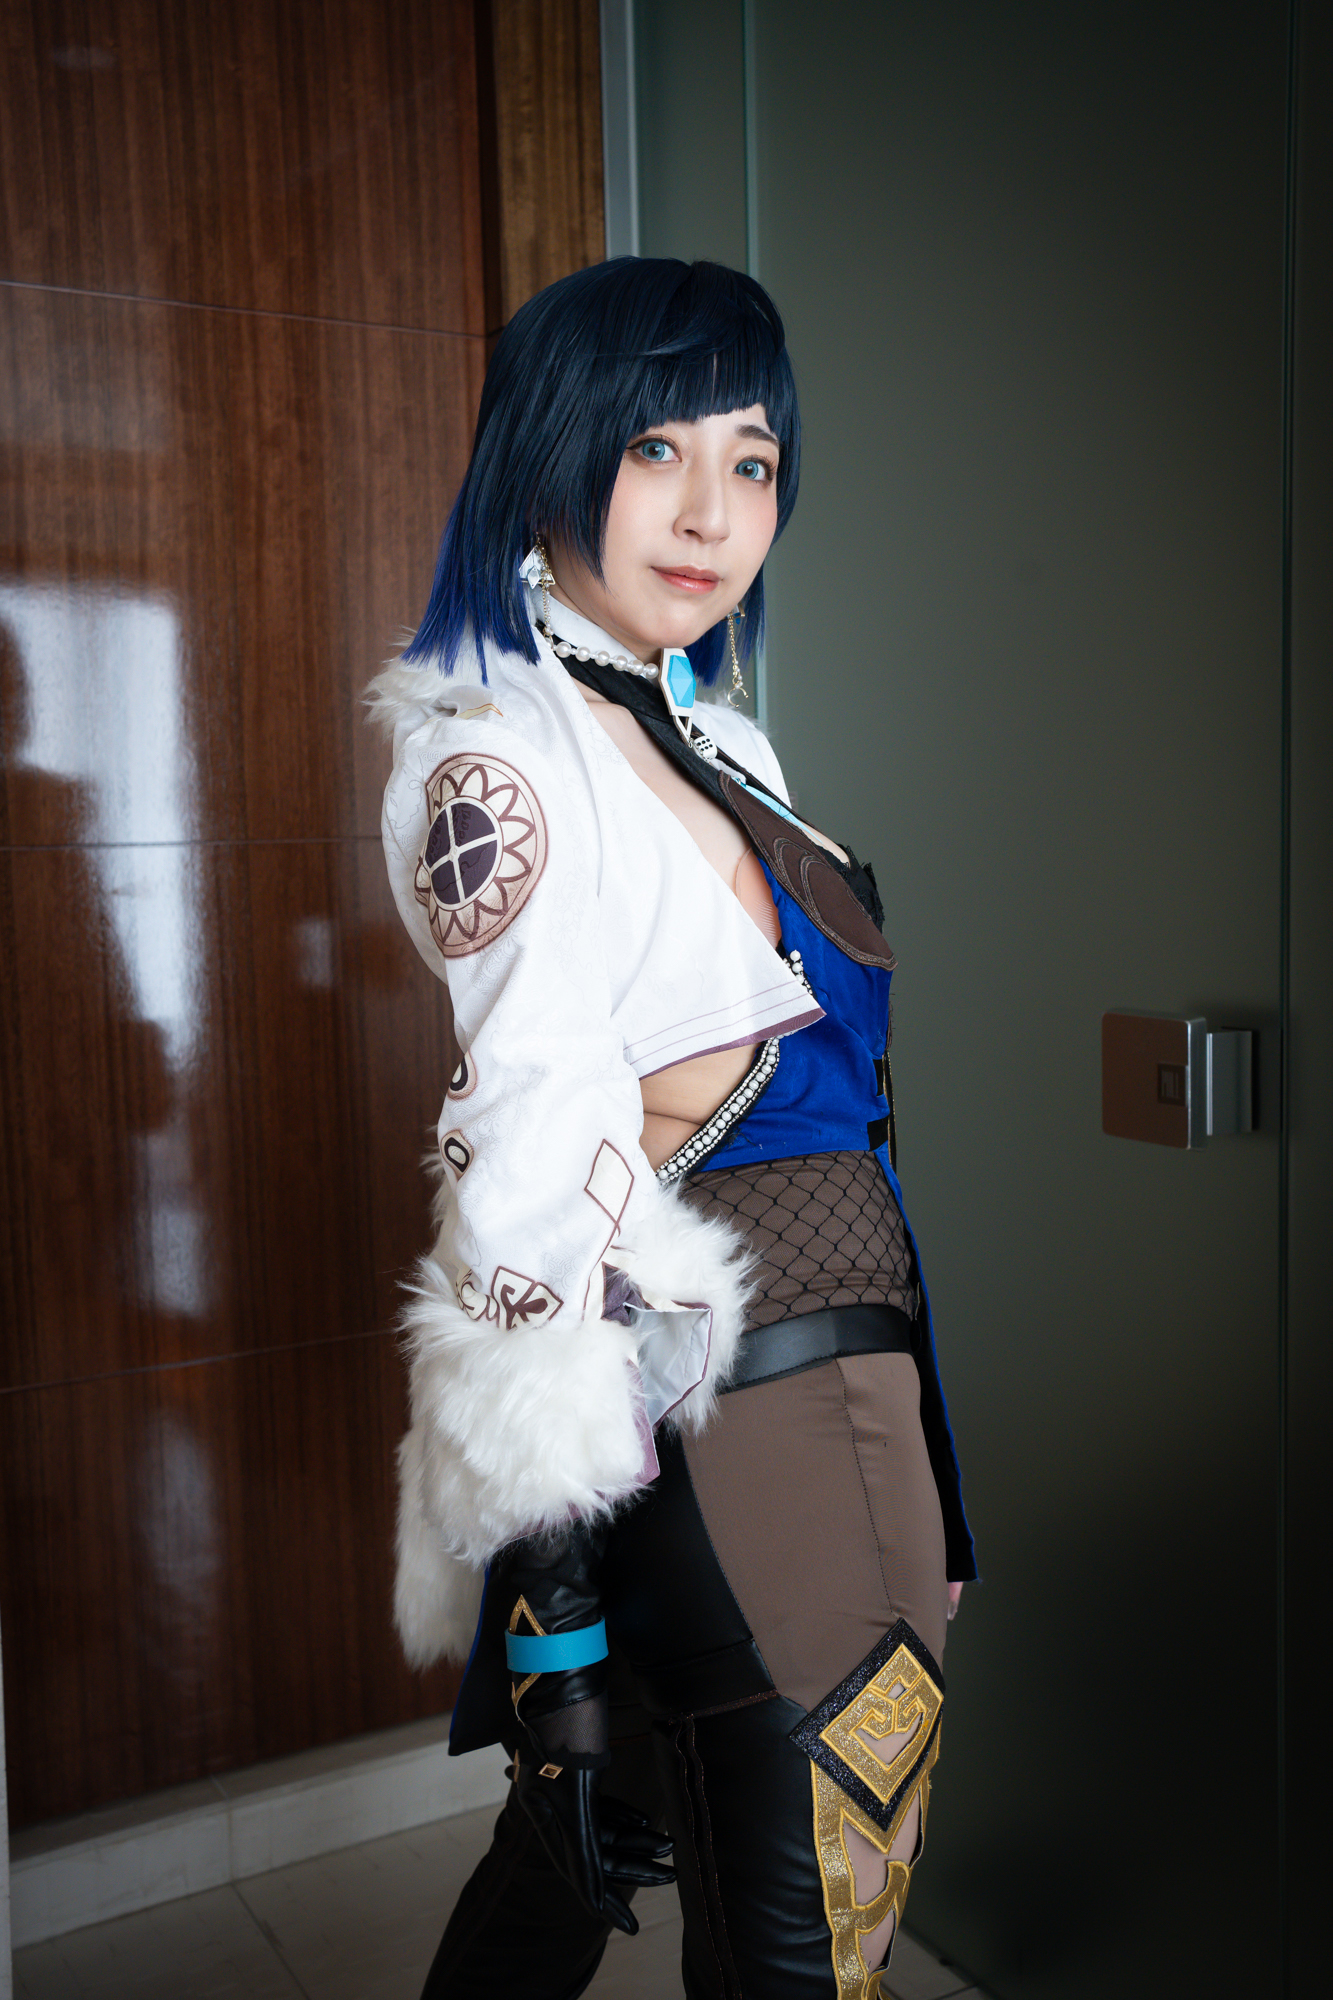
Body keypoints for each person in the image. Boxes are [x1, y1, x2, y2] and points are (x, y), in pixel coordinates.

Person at [368, 257, 976, 2000]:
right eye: (656, 449)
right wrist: (552, 1606)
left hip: (826, 1369)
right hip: (751, 1416)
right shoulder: (497, 752)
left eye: (752, 460)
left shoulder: (712, 727)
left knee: (602, 1853)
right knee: (812, 1937)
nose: (714, 513)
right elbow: (526, 1157)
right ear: (549, 451)